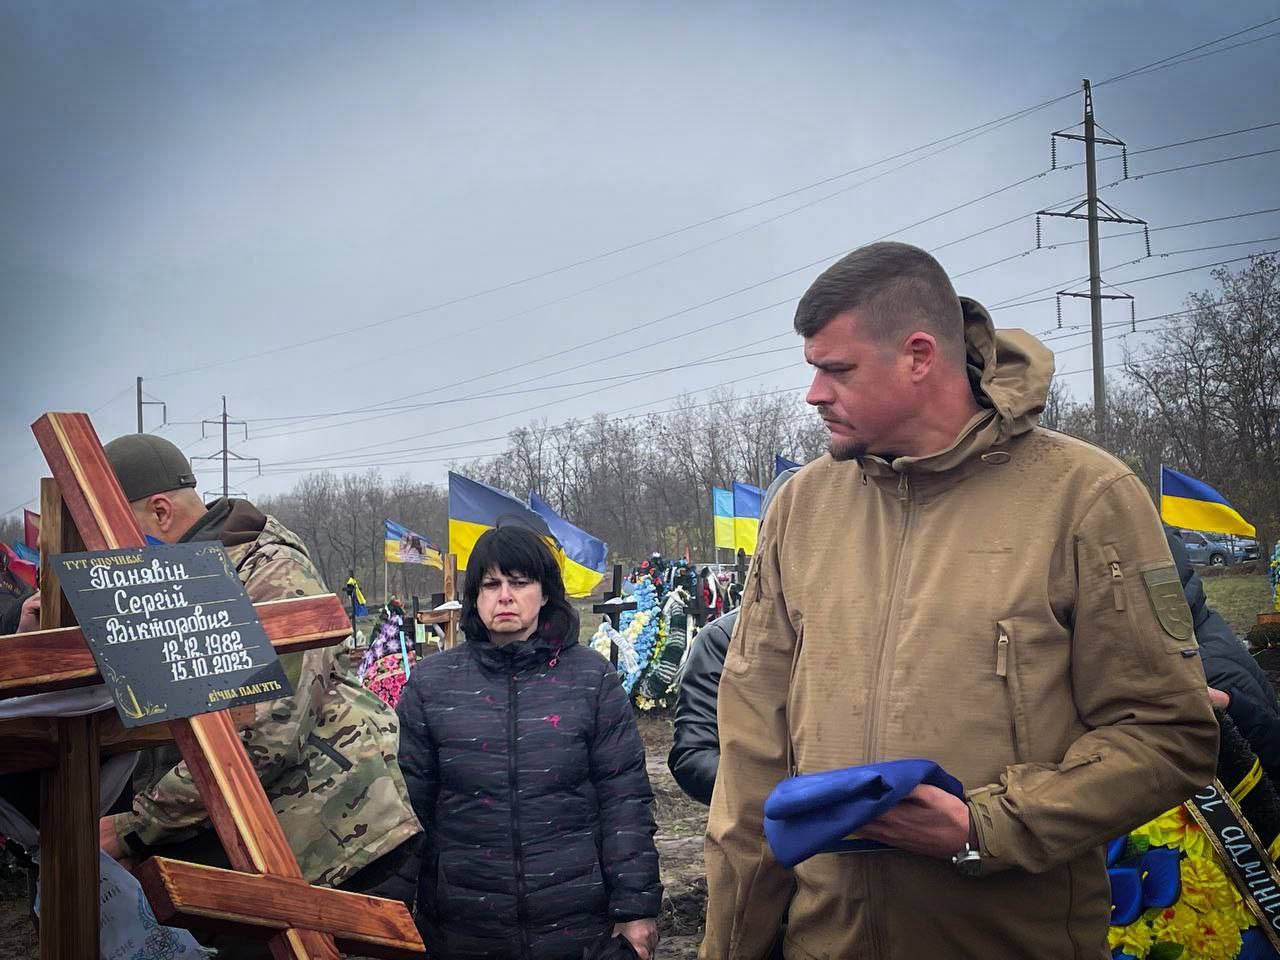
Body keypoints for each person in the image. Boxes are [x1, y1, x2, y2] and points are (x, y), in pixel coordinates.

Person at [702, 241, 1218, 958]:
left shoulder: (1085, 497)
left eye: (836, 370)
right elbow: (751, 758)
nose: (814, 394)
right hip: (825, 942)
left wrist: (984, 827)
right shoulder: (801, 508)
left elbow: (1170, 736)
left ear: (919, 356)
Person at [97, 434, 423, 948]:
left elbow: (270, 730)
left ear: (160, 513)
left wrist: (137, 824)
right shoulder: (169, 582)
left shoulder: (269, 574)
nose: (108, 555)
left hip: (319, 843)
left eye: (113, 534)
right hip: (229, 841)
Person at [397, 524, 662, 959]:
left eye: (519, 583)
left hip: (576, 926)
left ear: (544, 593)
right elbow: (408, 808)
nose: (505, 596)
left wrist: (635, 909)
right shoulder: (432, 686)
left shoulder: (590, 680)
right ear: (475, 596)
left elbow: (624, 802)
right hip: (463, 929)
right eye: (491, 584)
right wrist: (388, 917)